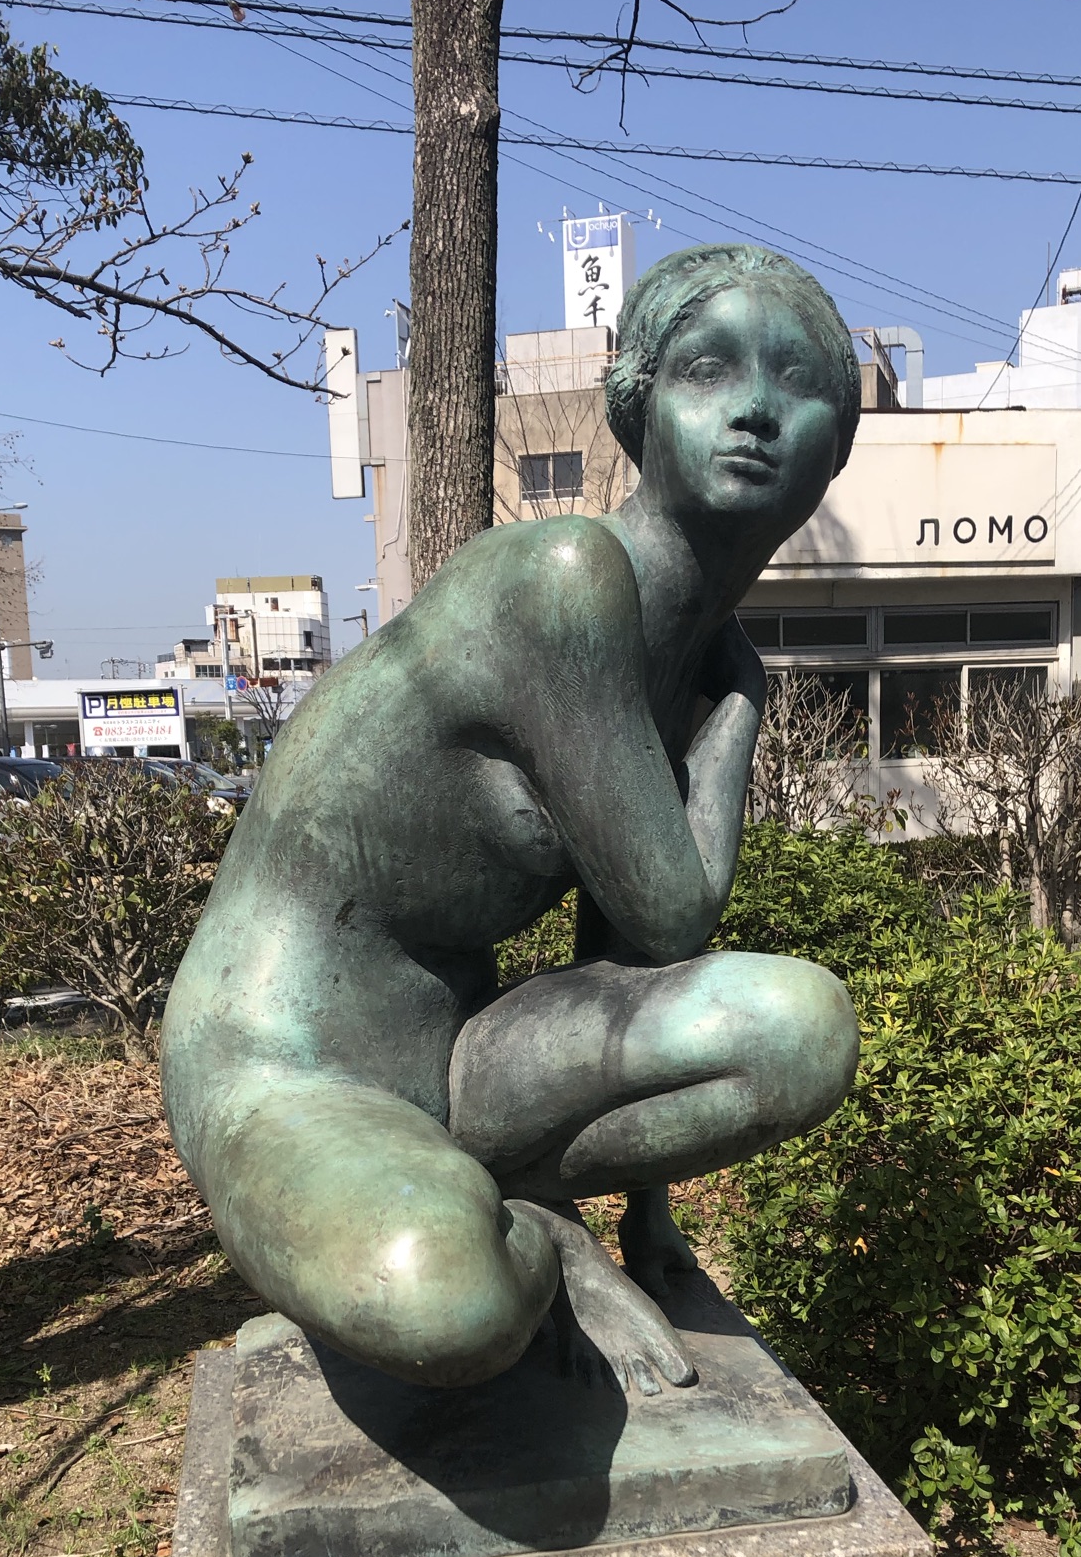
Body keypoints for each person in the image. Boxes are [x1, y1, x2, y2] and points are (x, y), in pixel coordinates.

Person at [161, 244, 863, 1395]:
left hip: (467, 1063)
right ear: (636, 408)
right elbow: (674, 908)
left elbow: (629, 962)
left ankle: (519, 1204)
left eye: (797, 381)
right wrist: (741, 703)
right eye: (708, 369)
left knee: (804, 1030)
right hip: (288, 1058)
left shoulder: (688, 653)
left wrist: (649, 1218)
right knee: (444, 1297)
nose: (754, 408)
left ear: (838, 443)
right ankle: (528, 1237)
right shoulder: (564, 578)